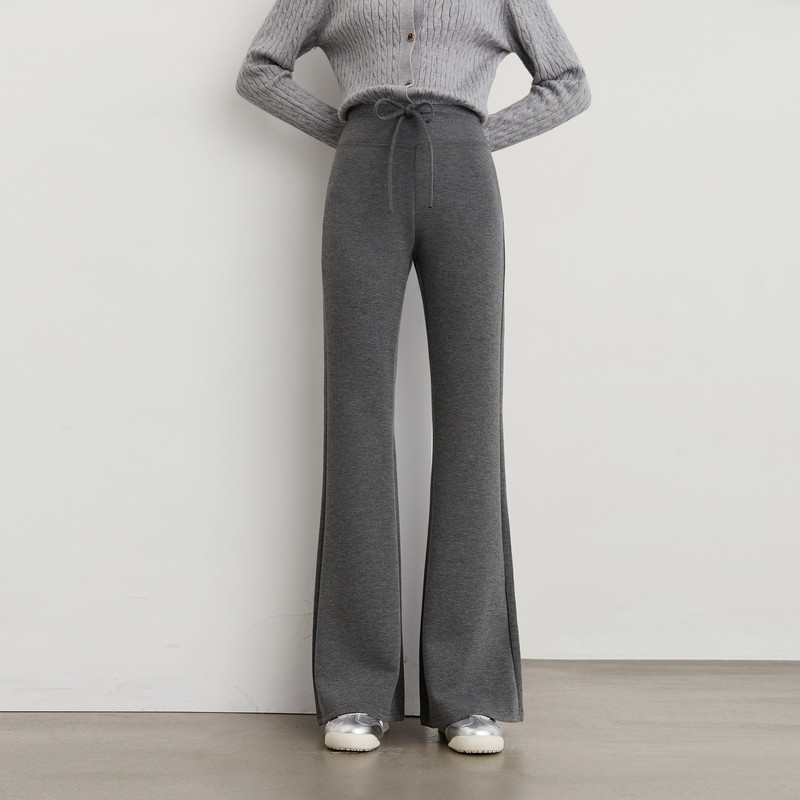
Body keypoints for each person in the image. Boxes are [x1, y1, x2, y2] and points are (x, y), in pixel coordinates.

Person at [235, 0, 591, 755]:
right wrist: (350, 132)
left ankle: (470, 694)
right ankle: (356, 693)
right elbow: (260, 71)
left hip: (465, 176)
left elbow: (568, 83)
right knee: (356, 415)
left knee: (471, 418)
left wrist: (474, 136)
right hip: (363, 173)